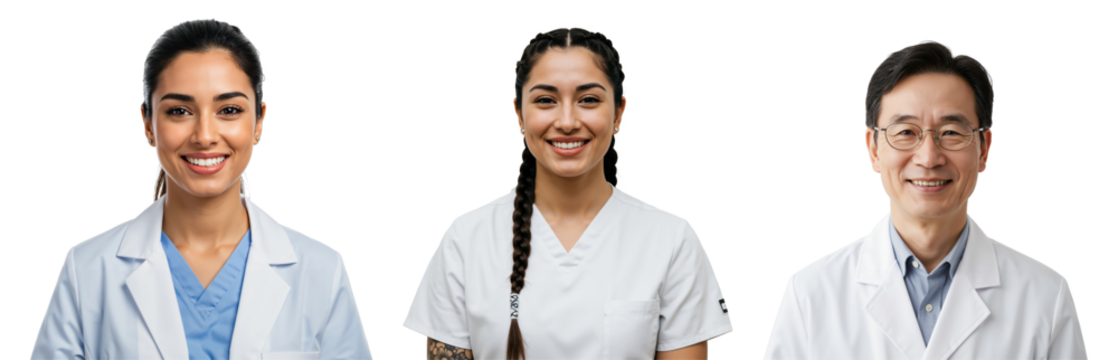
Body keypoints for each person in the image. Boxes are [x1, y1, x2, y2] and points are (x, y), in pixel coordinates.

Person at [29, 18, 375, 360]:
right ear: (147, 124)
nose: (205, 135)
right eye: (179, 111)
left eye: (229, 110)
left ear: (259, 122)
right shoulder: (87, 270)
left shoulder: (321, 271)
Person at [401, 26, 734, 360]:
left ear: (619, 112)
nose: (567, 121)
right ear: (519, 115)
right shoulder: (465, 240)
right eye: (546, 100)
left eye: (588, 99)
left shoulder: (672, 240)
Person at [762, 40, 1089, 359]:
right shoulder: (810, 294)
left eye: (951, 132)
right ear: (873, 149)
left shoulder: (1046, 296)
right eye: (905, 132)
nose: (929, 157)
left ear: (984, 149)